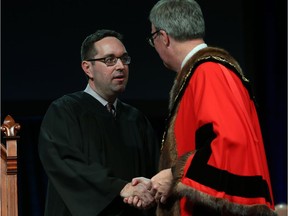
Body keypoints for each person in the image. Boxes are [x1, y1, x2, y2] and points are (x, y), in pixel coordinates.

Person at [125, 0, 277, 215]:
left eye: (153, 38)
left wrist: (175, 175)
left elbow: (232, 143)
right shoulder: (201, 73)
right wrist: (159, 181)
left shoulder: (210, 72)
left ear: (164, 37)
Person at [38, 29, 159, 216]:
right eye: (109, 60)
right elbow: (67, 165)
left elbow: (153, 171)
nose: (120, 66)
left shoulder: (136, 119)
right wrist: (120, 188)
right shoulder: (65, 111)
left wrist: (146, 190)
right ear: (87, 68)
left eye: (124, 59)